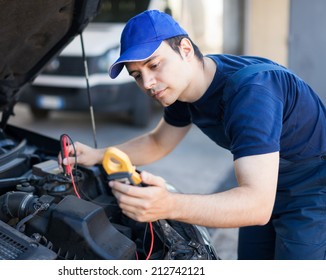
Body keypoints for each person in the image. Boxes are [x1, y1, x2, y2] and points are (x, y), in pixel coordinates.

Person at [59, 10, 326, 260]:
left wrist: (169, 205)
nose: (148, 83)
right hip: (262, 179)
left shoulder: (251, 92)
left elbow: (256, 205)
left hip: (312, 188)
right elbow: (157, 142)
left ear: (185, 49)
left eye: (154, 65)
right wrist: (95, 155)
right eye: (138, 75)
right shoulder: (182, 89)